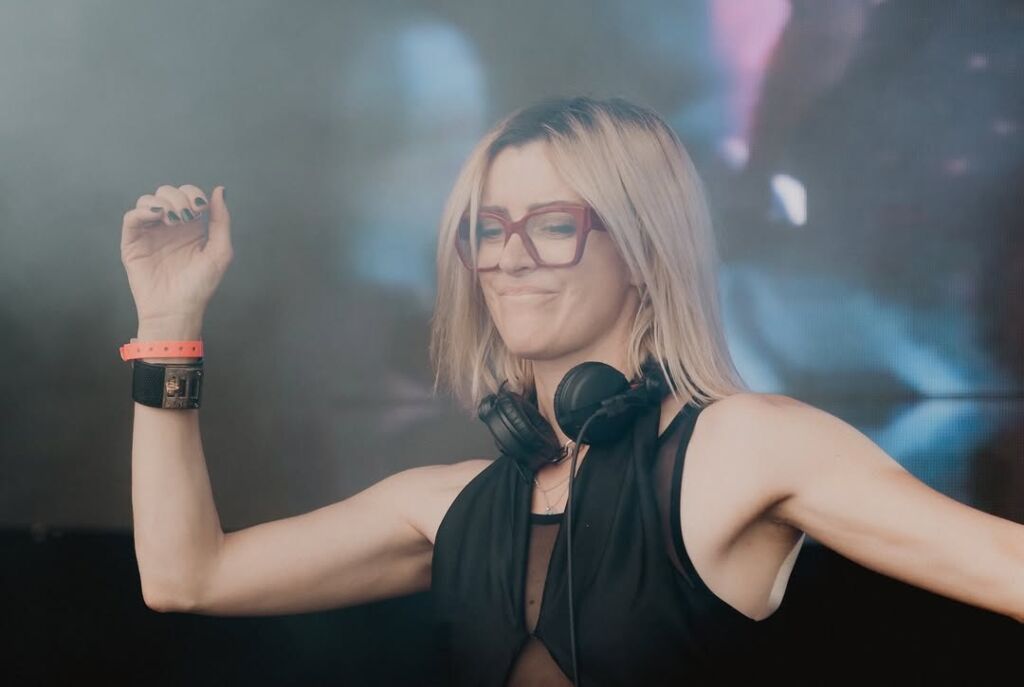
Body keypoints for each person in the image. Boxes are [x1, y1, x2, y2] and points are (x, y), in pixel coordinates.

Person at [120, 96, 1023, 686]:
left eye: (554, 225)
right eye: (488, 229)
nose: (509, 258)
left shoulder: (748, 446)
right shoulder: (448, 505)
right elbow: (185, 576)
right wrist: (168, 321)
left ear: (644, 247)